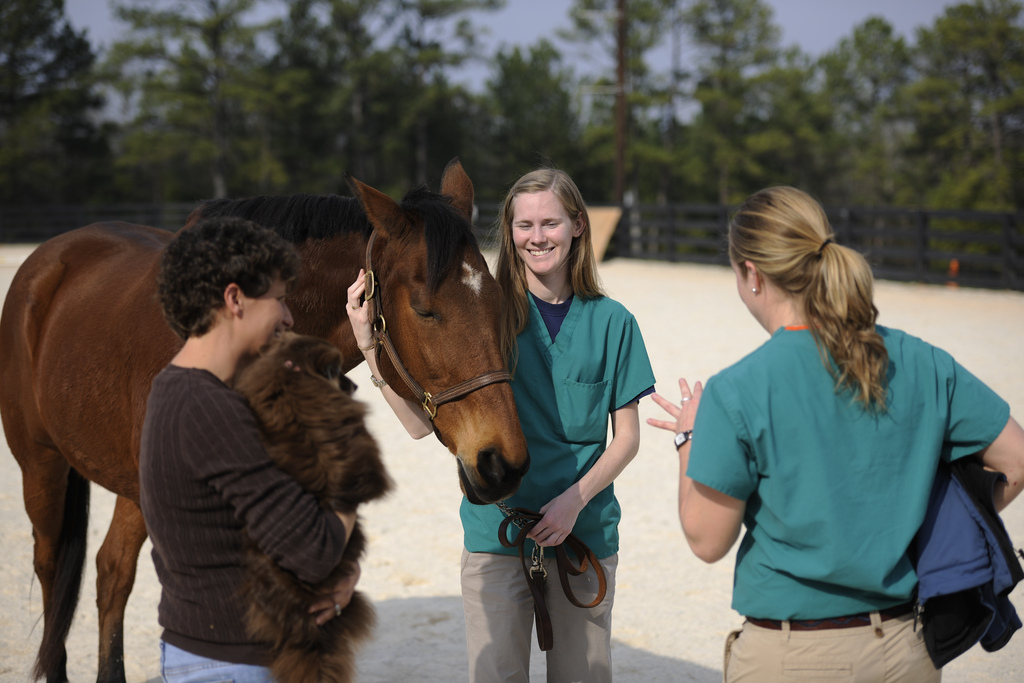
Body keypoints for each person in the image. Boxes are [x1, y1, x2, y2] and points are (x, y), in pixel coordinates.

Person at [647, 186, 1024, 682]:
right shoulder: (922, 361)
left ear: (752, 275)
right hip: (902, 650)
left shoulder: (736, 389)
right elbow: (1015, 461)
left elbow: (707, 539)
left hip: (789, 655)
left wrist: (688, 438)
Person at [346, 168, 655, 683]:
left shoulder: (614, 322)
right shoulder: (485, 311)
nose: (537, 237)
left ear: (578, 226)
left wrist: (572, 502)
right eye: (523, 224)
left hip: (584, 535)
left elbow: (628, 438)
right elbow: (423, 427)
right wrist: (368, 347)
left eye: (550, 223)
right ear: (508, 231)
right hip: (497, 536)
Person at [139, 217, 361, 682]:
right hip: (233, 664)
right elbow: (316, 550)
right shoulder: (208, 409)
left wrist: (342, 582)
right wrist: (345, 456)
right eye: (279, 299)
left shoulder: (177, 390)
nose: (289, 317)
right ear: (235, 299)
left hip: (213, 654)